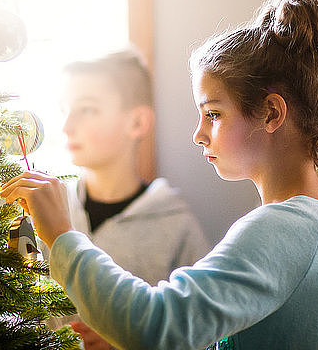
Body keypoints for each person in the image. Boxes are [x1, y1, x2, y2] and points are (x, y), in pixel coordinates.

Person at [1, 0, 318, 349]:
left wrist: (62, 236)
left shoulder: (281, 229)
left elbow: (158, 325)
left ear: (271, 113)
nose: (199, 135)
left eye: (214, 114)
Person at [44, 50, 209, 348]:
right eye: (64, 109)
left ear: (137, 123)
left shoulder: (177, 228)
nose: (67, 126)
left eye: (87, 110)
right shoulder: (50, 210)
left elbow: (197, 333)